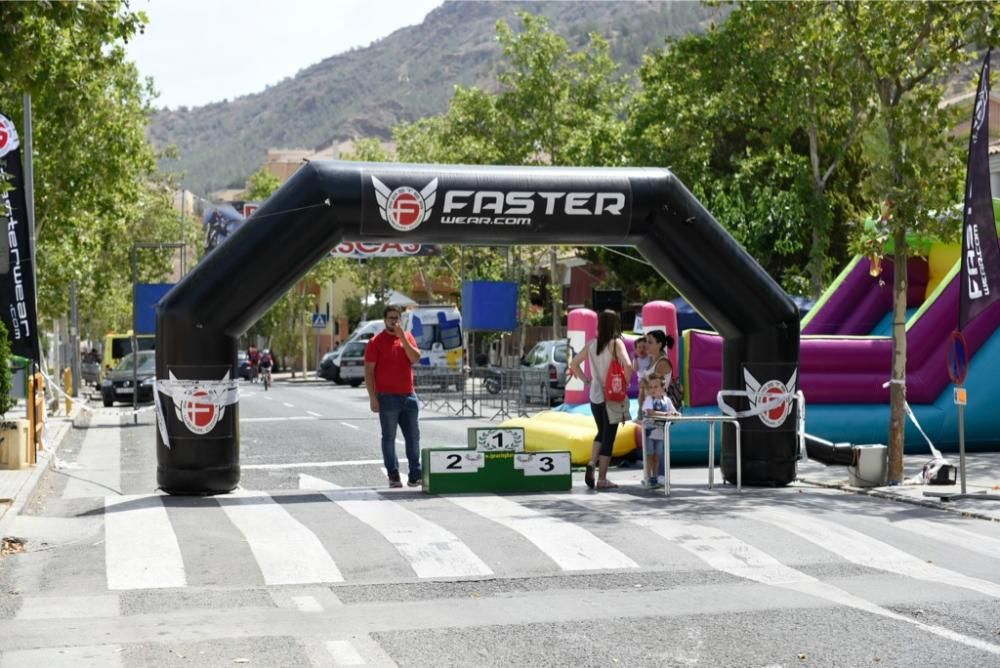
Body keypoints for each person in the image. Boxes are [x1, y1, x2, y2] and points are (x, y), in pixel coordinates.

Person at [569, 309, 634, 490]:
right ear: (615, 325)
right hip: (613, 396)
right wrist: (625, 384)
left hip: (595, 396)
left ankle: (592, 462)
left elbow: (573, 364)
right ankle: (602, 479)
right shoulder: (616, 344)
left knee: (601, 432)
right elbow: (628, 365)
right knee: (609, 437)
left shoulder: (592, 344)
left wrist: (587, 381)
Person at [364, 305, 422, 488]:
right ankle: (393, 474)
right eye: (390, 318)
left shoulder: (407, 337)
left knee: (413, 437)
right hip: (387, 397)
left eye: (397, 317)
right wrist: (373, 397)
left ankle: (415, 474)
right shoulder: (375, 342)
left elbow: (415, 358)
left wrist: (403, 337)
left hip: (409, 396)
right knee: (389, 437)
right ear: (384, 320)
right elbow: (369, 372)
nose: (394, 321)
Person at [641, 375, 677, 489]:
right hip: (650, 433)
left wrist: (676, 414)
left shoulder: (667, 401)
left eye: (655, 387)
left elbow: (673, 411)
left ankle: (656, 477)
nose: (652, 390)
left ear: (663, 388)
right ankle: (647, 476)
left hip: (661, 434)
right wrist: (665, 414)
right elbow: (651, 412)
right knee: (649, 455)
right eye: (650, 387)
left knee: (658, 455)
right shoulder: (649, 400)